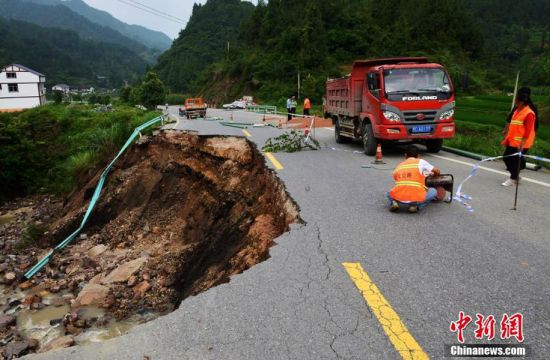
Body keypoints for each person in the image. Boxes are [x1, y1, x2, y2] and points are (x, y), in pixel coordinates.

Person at [387, 145, 441, 213]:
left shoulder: (400, 165)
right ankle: (416, 206)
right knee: (433, 191)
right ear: (418, 156)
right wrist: (435, 174)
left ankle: (394, 203)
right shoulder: (420, 162)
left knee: (389, 193)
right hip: (415, 198)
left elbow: (395, 177)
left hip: (400, 198)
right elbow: (436, 171)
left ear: (405, 155)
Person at [501, 88, 536, 186]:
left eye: (517, 102)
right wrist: (506, 130)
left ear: (522, 102)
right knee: (506, 158)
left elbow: (528, 130)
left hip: (521, 143)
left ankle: (513, 179)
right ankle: (516, 176)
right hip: (512, 140)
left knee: (515, 161)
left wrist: (523, 143)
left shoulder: (529, 113)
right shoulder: (517, 110)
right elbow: (512, 122)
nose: (515, 104)